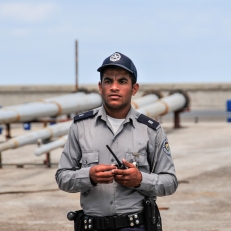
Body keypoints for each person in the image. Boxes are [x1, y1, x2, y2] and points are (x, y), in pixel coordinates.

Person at [55, 52, 178, 231]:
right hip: (92, 226)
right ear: (100, 86)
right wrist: (88, 176)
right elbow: (62, 177)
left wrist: (139, 179)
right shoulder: (81, 126)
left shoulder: (151, 130)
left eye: (122, 81)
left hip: (135, 226)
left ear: (134, 89)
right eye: (108, 81)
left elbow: (170, 182)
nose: (114, 87)